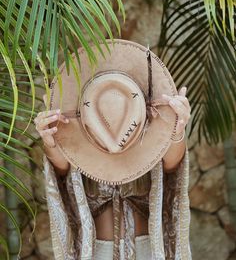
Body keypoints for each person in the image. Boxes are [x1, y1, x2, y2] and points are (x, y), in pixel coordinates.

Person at [34, 40, 192, 260]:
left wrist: (176, 130)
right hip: (97, 251)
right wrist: (51, 142)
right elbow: (61, 173)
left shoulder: (151, 119)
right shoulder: (77, 122)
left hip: (147, 249)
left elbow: (172, 168)